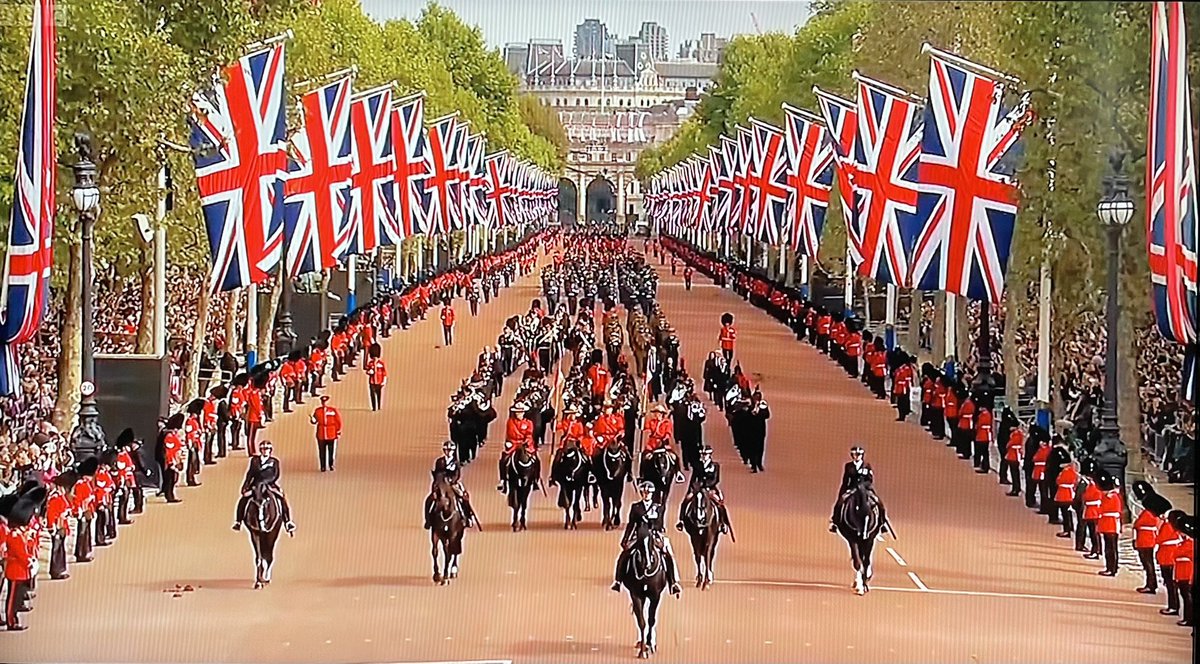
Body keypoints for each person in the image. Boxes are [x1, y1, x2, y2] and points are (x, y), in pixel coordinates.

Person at [612, 481, 682, 598]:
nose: (646, 495)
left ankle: (673, 582)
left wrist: (657, 533)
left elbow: (660, 524)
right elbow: (631, 524)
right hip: (639, 535)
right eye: (644, 493)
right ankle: (618, 581)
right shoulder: (635, 507)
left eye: (649, 493)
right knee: (624, 555)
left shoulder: (658, 508)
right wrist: (625, 539)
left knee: (667, 555)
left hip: (654, 534)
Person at [232, 441, 295, 535]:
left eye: (267, 449)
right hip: (255, 485)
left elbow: (275, 475)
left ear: (270, 451)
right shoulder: (254, 460)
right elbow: (250, 474)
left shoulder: (274, 461)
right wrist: (245, 486)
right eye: (263, 449)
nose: (265, 451)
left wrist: (265, 482)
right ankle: (238, 521)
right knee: (243, 499)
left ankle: (287, 521)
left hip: (269, 484)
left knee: (281, 498)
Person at [676, 446, 730, 534]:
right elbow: (693, 478)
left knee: (719, 503)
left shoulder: (715, 466)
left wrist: (706, 485)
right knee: (686, 501)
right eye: (702, 454)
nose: (703, 456)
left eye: (705, 454)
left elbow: (716, 479)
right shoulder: (697, 465)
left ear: (709, 455)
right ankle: (681, 521)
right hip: (698, 488)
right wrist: (692, 489)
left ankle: (722, 523)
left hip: (710, 488)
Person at [425, 441, 477, 529]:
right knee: (429, 500)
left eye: (450, 450)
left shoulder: (456, 462)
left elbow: (457, 474)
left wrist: (451, 480)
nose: (448, 452)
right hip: (441, 483)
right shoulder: (439, 461)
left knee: (463, 497)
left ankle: (468, 517)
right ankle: (428, 520)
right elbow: (437, 473)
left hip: (453, 483)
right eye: (446, 450)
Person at [498, 402, 539, 492]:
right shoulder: (510, 422)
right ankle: (503, 480)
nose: (518, 414)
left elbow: (529, 434)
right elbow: (510, 434)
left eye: (520, 412)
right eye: (517, 412)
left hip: (525, 444)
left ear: (524, 413)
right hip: (514, 443)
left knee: (536, 460)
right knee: (503, 460)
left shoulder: (529, 423)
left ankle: (535, 480)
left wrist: (525, 442)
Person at [831, 446, 873, 530]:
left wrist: (863, 486)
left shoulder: (867, 466)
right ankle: (835, 522)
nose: (857, 456)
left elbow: (870, 480)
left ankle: (882, 522)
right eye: (855, 455)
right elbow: (845, 480)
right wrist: (842, 492)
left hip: (864, 488)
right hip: (852, 489)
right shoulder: (848, 466)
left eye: (859, 454)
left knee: (878, 502)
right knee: (839, 503)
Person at [1095, 473, 1123, 576]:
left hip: (1110, 524)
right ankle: (1111, 567)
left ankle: (1111, 568)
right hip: (1108, 523)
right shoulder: (1110, 496)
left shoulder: (1111, 497)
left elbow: (1103, 509)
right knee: (1110, 547)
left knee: (1110, 548)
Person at [310, 395, 343, 472]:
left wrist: (338, 431)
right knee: (322, 451)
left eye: (325, 402)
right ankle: (323, 466)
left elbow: (338, 421)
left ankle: (331, 464)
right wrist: (312, 420)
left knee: (331, 450)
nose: (324, 404)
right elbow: (315, 420)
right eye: (323, 402)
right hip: (321, 433)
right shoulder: (317, 411)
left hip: (331, 432)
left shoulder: (333, 410)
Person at [365, 344, 387, 412]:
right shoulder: (370, 363)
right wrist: (369, 372)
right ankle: (374, 407)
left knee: (379, 394)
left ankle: (379, 405)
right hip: (372, 381)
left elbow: (384, 372)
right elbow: (367, 371)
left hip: (379, 381)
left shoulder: (381, 363)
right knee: (372, 394)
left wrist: (384, 381)